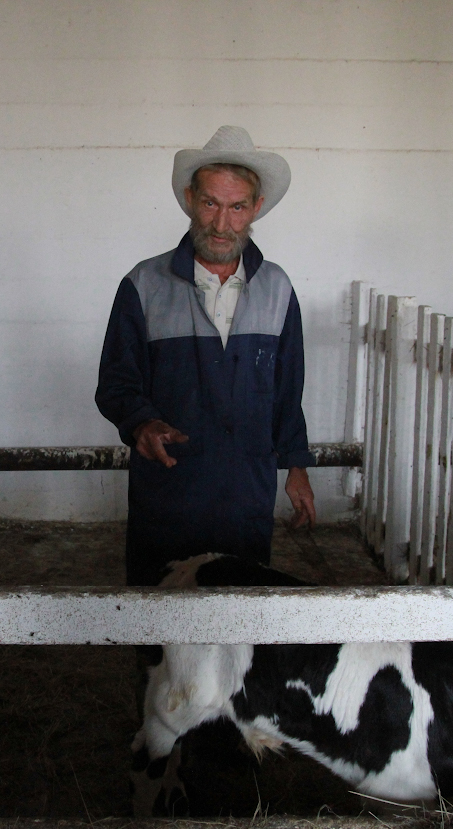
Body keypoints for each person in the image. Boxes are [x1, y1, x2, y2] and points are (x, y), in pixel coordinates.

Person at [96, 125, 316, 589]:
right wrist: (142, 423)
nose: (221, 224)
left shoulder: (277, 289)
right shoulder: (144, 285)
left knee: (241, 607)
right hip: (170, 489)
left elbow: (287, 390)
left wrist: (296, 467)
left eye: (237, 207)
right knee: (160, 611)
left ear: (256, 208)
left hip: (247, 494)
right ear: (189, 198)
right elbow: (116, 382)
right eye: (210, 203)